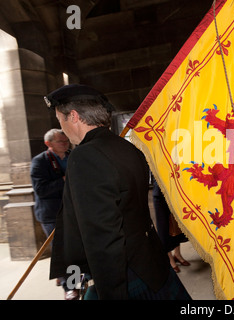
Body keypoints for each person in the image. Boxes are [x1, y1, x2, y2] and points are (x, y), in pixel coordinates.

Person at [45, 84, 191, 300]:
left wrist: (111, 294)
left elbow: (102, 237)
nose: (63, 129)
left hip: (120, 274)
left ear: (74, 116)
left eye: (61, 120)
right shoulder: (128, 147)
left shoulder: (84, 156)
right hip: (149, 263)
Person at [30, 129, 76, 299]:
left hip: (73, 211)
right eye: (60, 142)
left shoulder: (74, 156)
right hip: (51, 214)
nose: (65, 144)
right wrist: (63, 180)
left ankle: (65, 276)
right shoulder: (39, 162)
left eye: (66, 141)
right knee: (63, 252)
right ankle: (69, 286)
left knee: (75, 249)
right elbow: (41, 190)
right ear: (48, 144)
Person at [152, 178, 190, 273]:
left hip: (174, 187)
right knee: (163, 226)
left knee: (176, 224)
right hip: (160, 189)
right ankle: (169, 259)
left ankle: (177, 254)